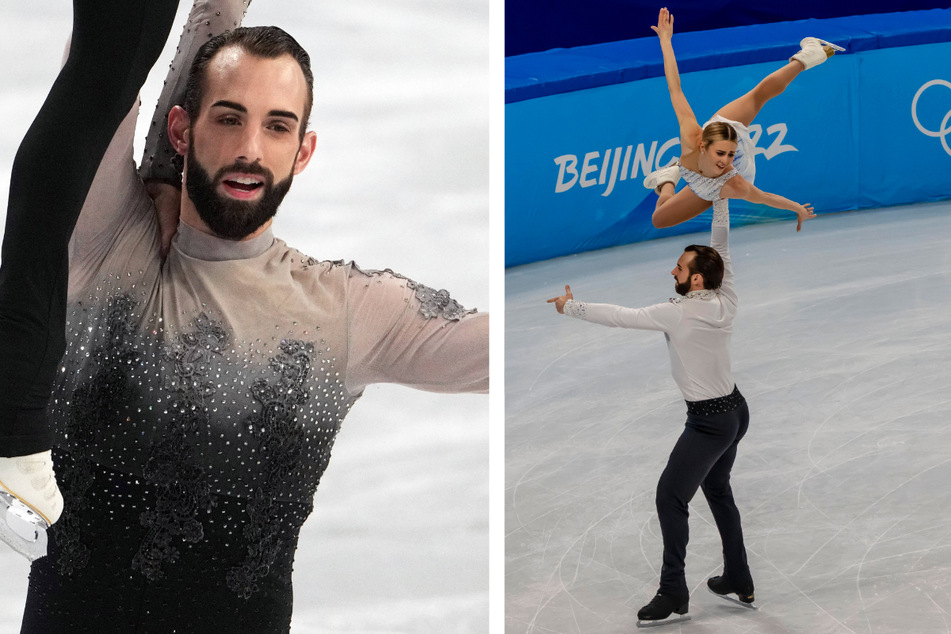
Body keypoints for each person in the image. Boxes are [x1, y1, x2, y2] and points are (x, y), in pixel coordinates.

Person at [4, 1, 489, 631]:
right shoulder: (110, 245)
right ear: (181, 130)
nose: (250, 150)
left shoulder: (344, 311)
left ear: (304, 149)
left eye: (278, 126)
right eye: (229, 119)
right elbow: (103, 71)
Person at [547, 200, 752, 627]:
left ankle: (674, 592)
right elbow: (722, 246)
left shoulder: (676, 313)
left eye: (679, 268)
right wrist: (718, 200)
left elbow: (623, 317)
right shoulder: (725, 293)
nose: (672, 272)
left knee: (669, 497)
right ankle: (738, 577)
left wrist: (572, 307)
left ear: (696, 278)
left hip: (709, 422)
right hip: (736, 411)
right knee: (718, 491)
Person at [643, 7, 838, 231]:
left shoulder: (731, 181)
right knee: (659, 219)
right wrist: (666, 40)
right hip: (709, 146)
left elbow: (764, 197)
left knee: (758, 96)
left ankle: (805, 59)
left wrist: (797, 208)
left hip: (714, 181)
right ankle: (669, 176)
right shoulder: (691, 135)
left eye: (729, 154)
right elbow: (674, 88)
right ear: (702, 144)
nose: (726, 161)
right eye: (720, 153)